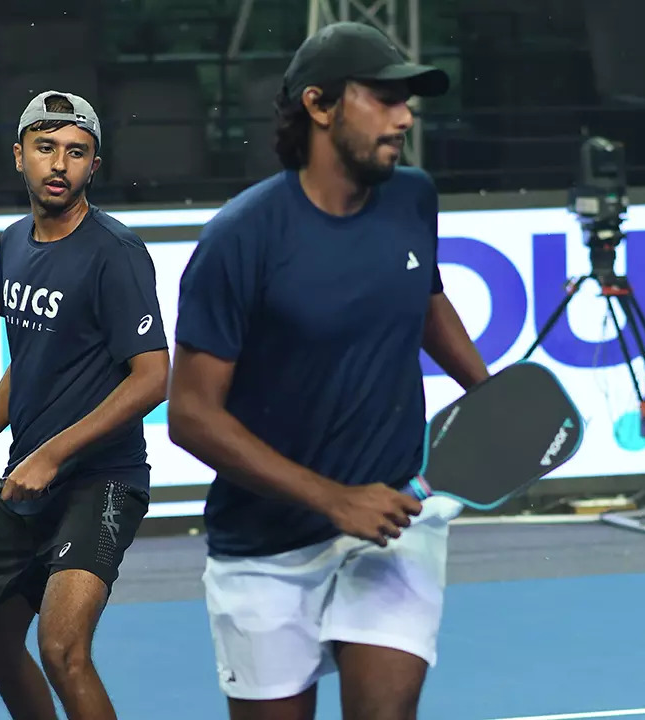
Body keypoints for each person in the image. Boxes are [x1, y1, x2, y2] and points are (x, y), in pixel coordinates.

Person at [167, 21, 491, 720]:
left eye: (408, 100)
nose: (405, 115)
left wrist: (493, 397)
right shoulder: (239, 239)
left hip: (396, 522)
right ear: (319, 105)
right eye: (383, 97)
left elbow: (426, 301)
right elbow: (191, 416)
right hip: (264, 545)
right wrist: (334, 498)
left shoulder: (413, 197)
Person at [0, 90, 170, 720]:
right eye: (46, 148)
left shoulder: (116, 252)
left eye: (76, 153)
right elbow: (27, 361)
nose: (59, 164)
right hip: (29, 483)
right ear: (18, 155)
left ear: (93, 167)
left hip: (101, 482)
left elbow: (153, 377)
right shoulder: (12, 243)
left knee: (61, 648)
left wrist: (51, 454)